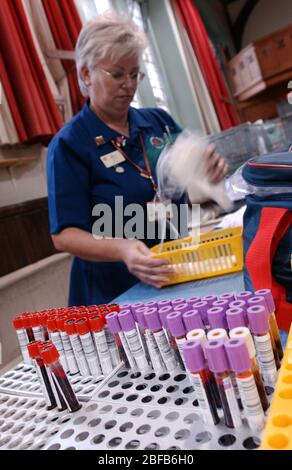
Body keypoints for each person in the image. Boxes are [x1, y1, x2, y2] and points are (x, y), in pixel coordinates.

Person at [47, 10, 228, 307]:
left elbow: (189, 189)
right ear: (86, 74)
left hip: (175, 273)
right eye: (117, 74)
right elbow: (64, 235)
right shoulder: (70, 145)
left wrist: (207, 172)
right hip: (115, 294)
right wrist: (123, 248)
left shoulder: (158, 122)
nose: (129, 84)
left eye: (134, 74)